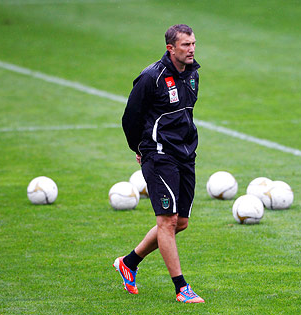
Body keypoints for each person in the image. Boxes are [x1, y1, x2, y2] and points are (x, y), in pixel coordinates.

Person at [115, 24, 204, 304]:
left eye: (193, 44)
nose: (191, 49)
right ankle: (181, 288)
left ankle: (128, 262)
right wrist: (139, 149)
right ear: (170, 48)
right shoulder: (151, 77)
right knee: (167, 221)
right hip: (158, 153)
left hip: (185, 153)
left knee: (181, 223)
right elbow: (130, 117)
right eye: (185, 45)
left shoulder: (193, 74)